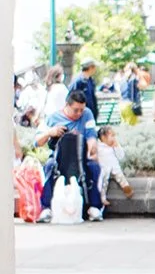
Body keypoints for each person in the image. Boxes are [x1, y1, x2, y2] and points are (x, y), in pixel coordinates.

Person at [34, 93, 104, 223]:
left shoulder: (87, 114)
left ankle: (94, 207)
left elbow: (91, 136)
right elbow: (37, 141)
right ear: (67, 105)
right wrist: (50, 132)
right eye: (75, 110)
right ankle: (46, 208)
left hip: (82, 156)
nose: (79, 113)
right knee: (49, 166)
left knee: (94, 167)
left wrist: (92, 148)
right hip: (59, 158)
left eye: (81, 110)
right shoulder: (52, 118)